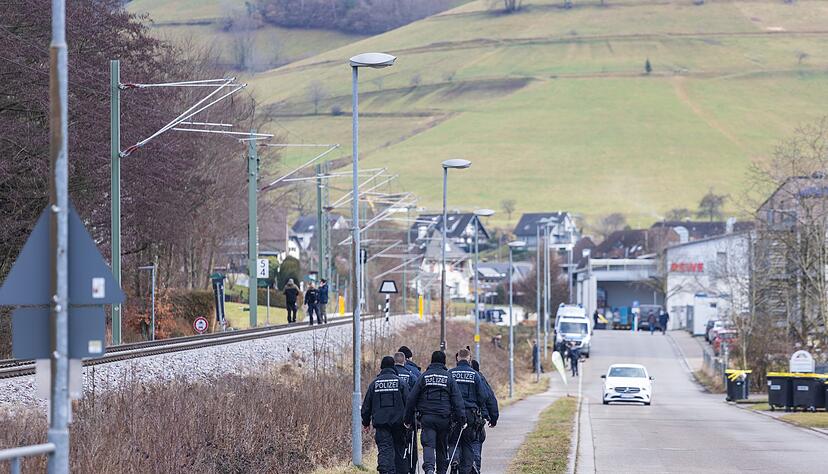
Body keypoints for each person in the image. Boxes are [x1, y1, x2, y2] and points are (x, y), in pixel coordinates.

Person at [405, 351, 466, 474]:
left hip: (427, 418)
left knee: (428, 445)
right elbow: (457, 399)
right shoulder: (449, 377)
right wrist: (462, 419)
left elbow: (411, 398)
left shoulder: (424, 376)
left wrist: (407, 419)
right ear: (444, 362)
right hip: (444, 418)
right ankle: (441, 471)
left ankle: (429, 469)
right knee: (442, 447)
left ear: (432, 361)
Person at [362, 356, 410, 474]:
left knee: (384, 450)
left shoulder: (374, 384)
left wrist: (366, 423)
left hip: (381, 425)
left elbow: (366, 406)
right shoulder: (401, 383)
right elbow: (408, 404)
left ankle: (385, 471)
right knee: (399, 450)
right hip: (399, 425)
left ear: (381, 367)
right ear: (393, 367)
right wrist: (409, 421)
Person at [448, 349, 491, 474]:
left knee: (453, 441)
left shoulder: (450, 373)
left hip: (454, 413)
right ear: (469, 358)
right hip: (470, 414)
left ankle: (454, 460)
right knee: (467, 442)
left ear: (457, 358)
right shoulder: (475, 374)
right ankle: (466, 470)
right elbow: (483, 395)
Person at [470, 359, 498, 474]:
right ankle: (475, 465)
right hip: (477, 417)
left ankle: (461, 464)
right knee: (476, 442)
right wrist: (493, 418)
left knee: (460, 444)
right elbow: (490, 398)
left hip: (459, 417)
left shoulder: (455, 375)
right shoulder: (480, 378)